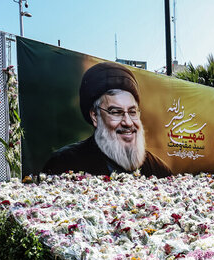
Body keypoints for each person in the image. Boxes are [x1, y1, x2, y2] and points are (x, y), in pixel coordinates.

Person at [43, 62, 172, 177]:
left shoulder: (159, 170)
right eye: (116, 112)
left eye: (132, 112)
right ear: (95, 116)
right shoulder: (64, 164)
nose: (127, 122)